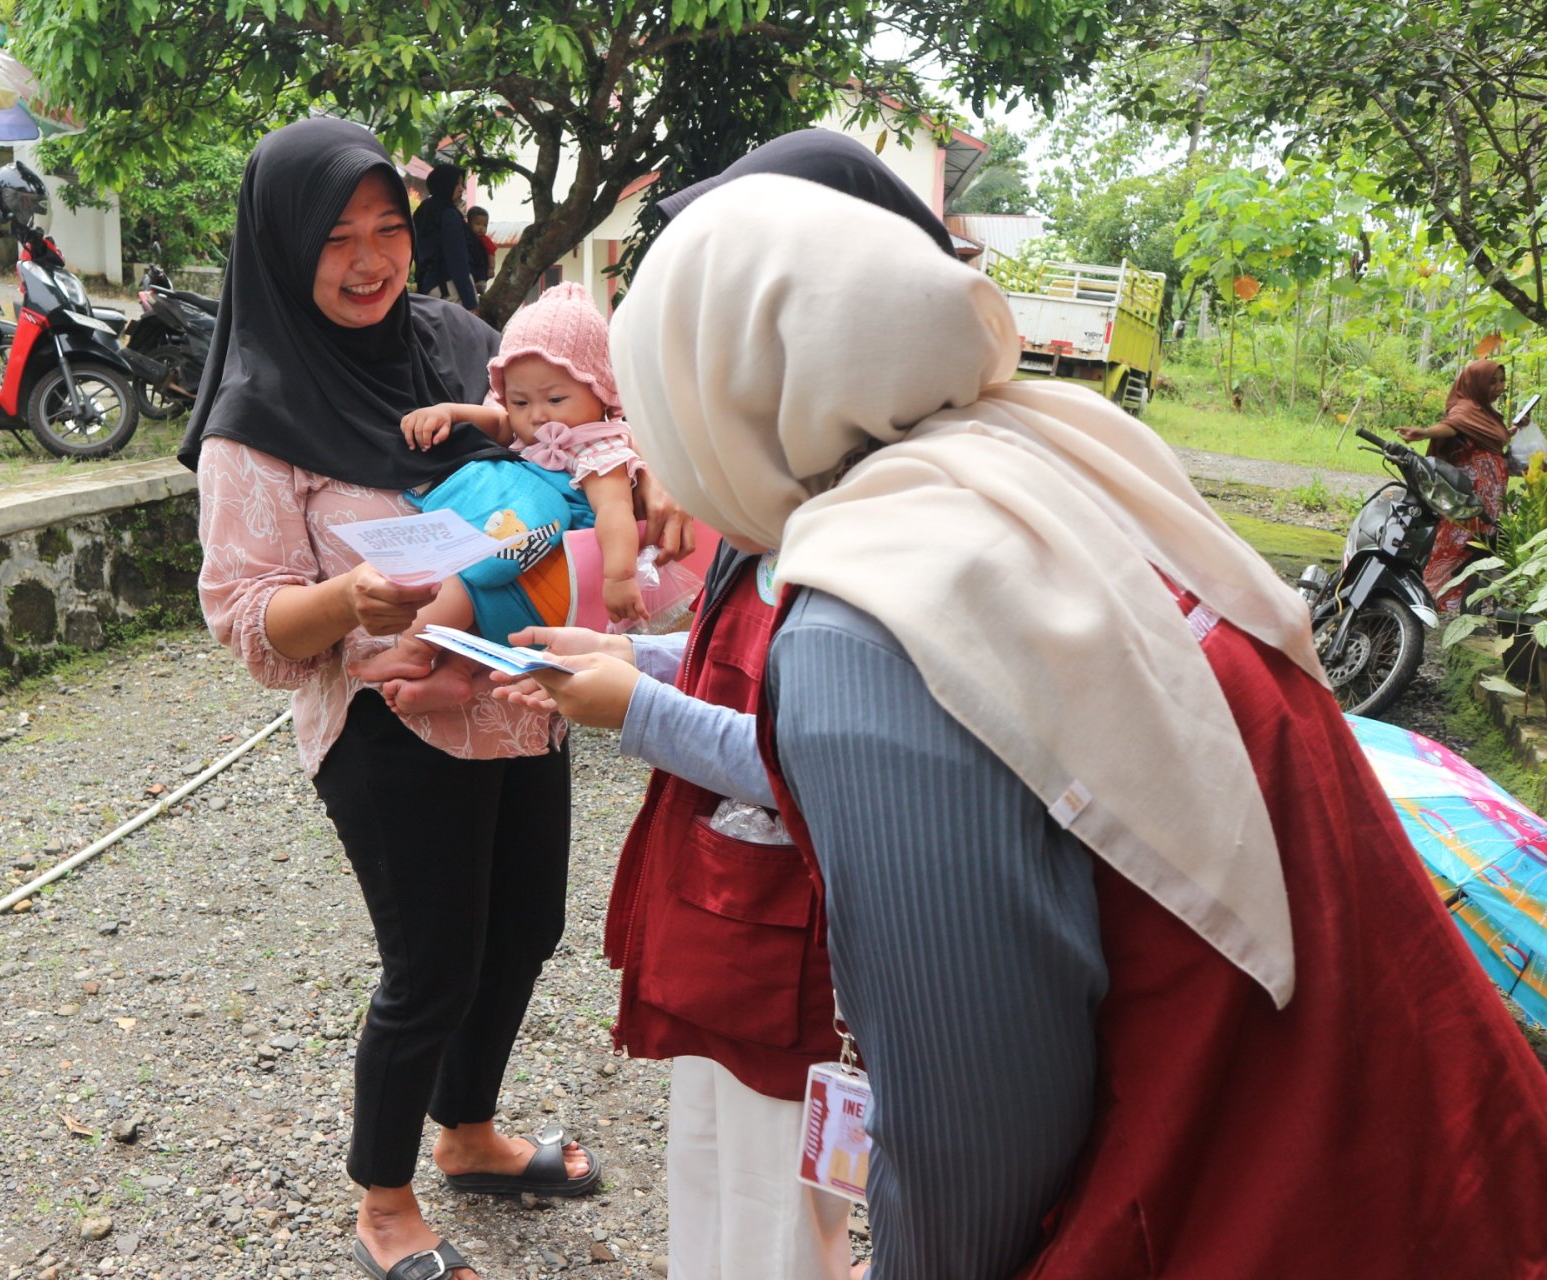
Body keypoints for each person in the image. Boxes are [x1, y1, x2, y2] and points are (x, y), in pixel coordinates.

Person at [599, 173, 1547, 1279]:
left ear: (714, 394)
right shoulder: (1054, 458)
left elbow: (976, 1116)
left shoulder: (871, 618)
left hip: (1225, 1197)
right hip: (1416, 1138)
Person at [487, 129, 959, 1280]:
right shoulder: (781, 478)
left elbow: (828, 757)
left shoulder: (879, 513)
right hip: (731, 933)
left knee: (775, 1220)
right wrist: (622, 658)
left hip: (798, 972)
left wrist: (631, 709)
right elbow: (721, 658)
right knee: (716, 1185)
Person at [180, 117, 613, 1280]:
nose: (370, 260)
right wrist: (348, 601)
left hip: (520, 686)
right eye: (336, 239)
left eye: (388, 230)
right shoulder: (256, 411)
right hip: (386, 717)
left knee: (526, 927)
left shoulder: (459, 340)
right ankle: (384, 1199)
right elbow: (244, 613)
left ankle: (469, 1132)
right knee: (432, 963)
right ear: (279, 248)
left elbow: (563, 428)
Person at [354, 282, 649, 712]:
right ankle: (457, 672)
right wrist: (450, 413)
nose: (537, 415)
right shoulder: (528, 427)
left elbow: (616, 512)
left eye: (555, 398)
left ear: (600, 391)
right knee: (480, 586)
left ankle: (413, 651)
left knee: (458, 578)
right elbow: (496, 425)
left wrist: (619, 579)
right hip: (522, 566)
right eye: (520, 400)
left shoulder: (599, 448)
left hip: (552, 578)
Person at [1398, 359, 1521, 609]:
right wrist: (1424, 432)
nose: (1499, 387)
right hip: (1471, 495)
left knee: (1483, 545)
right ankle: (1432, 595)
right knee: (1458, 542)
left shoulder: (1485, 411)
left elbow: (1489, 439)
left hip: (1492, 496)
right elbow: (1451, 427)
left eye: (1501, 380)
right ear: (1475, 383)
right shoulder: (1465, 407)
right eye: (1492, 381)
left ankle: (1471, 601)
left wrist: (1512, 431)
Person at [414, 163, 479, 311]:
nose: (461, 188)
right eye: (457, 184)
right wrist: (471, 304)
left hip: (429, 288)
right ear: (446, 184)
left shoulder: (423, 211)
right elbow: (457, 261)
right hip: (450, 289)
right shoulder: (449, 214)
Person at [466, 207, 496, 287]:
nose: (481, 228)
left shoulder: (485, 240)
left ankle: (481, 284)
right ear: (469, 223)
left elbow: (491, 253)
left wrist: (491, 268)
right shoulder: (466, 236)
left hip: (482, 267)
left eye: (484, 225)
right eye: (477, 224)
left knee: (481, 271)